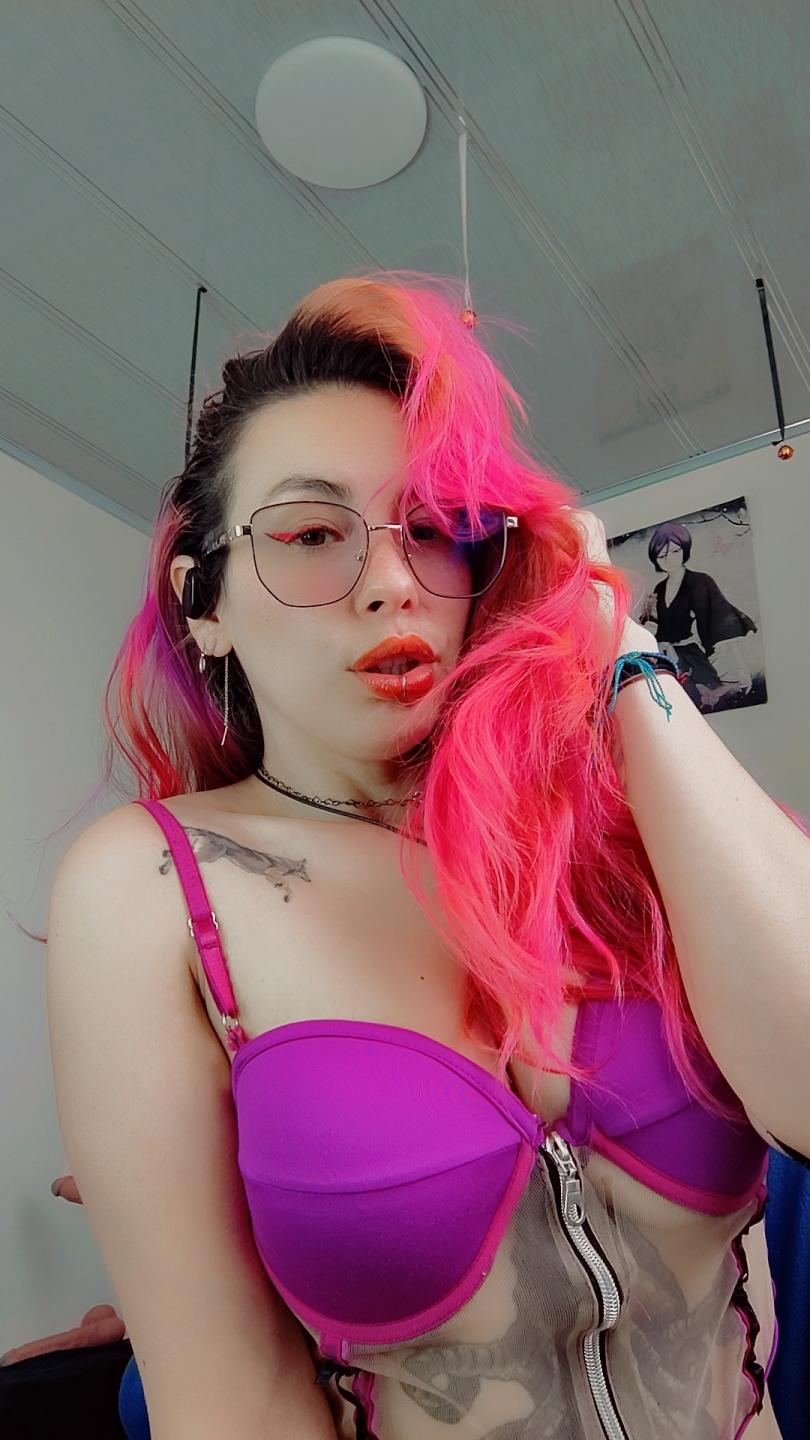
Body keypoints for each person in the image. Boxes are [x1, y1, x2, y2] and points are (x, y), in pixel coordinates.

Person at [44, 272, 810, 1440]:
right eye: (312, 535)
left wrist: (616, 649)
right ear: (204, 604)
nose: (395, 582)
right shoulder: (151, 888)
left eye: (437, 530)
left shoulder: (618, 825)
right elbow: (231, 1404)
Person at [639, 522, 759, 708]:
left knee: (713, 700)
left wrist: (741, 667)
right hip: (666, 657)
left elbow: (722, 620)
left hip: (691, 653)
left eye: (675, 551)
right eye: (662, 555)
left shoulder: (700, 581)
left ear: (684, 550)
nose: (669, 559)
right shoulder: (659, 589)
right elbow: (650, 624)